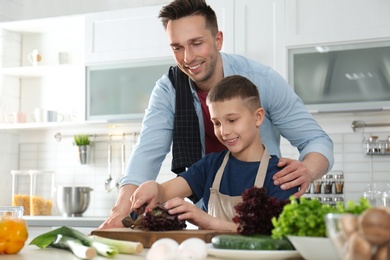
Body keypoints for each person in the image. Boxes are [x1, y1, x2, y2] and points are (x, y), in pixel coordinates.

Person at [98, 0, 333, 229]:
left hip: (254, 212)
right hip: (203, 213)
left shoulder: (263, 82)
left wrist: (308, 170)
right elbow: (145, 155)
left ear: (218, 40)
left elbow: (316, 140)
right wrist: (122, 210)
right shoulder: (169, 91)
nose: (188, 58)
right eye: (177, 47)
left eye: (197, 43)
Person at [130, 75, 299, 231]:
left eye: (232, 120)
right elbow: (163, 192)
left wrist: (208, 221)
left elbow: (277, 234)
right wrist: (152, 187)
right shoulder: (211, 165)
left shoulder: (281, 175)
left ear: (258, 117)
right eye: (216, 123)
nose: (224, 131)